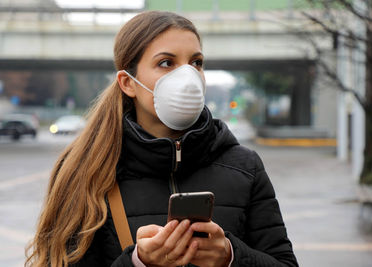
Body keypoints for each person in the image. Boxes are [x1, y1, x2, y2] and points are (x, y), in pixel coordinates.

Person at [25, 11, 298, 267]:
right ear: (128, 83)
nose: (187, 77)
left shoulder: (245, 166)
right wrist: (139, 262)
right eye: (166, 63)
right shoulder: (85, 168)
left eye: (196, 63)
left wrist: (230, 256)